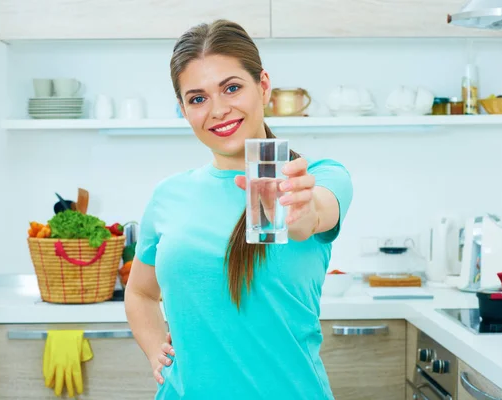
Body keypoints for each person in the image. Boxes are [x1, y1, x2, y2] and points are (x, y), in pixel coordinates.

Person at [124, 19, 353, 400]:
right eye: (197, 98)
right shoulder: (168, 196)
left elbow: (311, 218)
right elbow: (141, 294)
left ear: (263, 87)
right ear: (182, 110)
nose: (218, 110)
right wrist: (155, 350)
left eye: (231, 88)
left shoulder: (319, 176)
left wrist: (303, 211)